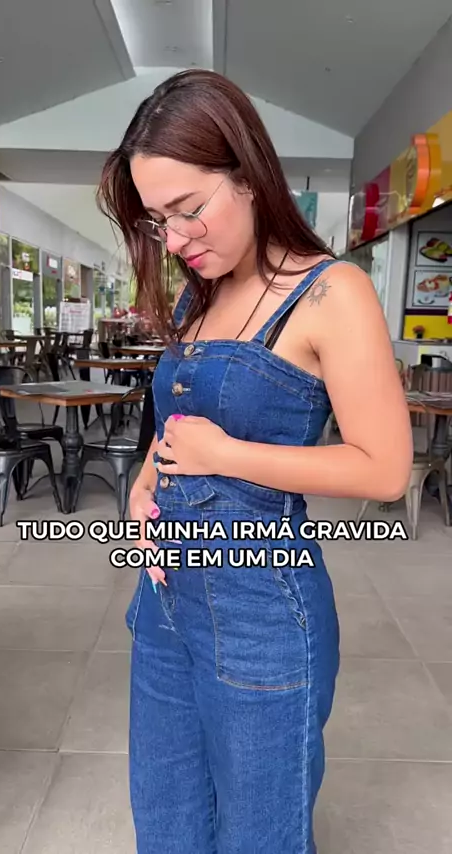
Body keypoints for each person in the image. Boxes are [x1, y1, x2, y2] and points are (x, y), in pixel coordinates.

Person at [97, 69, 413, 854]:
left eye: (187, 209)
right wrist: (146, 485)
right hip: (165, 604)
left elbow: (383, 469)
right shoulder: (196, 297)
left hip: (261, 612)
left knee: (258, 837)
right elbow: (173, 422)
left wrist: (228, 454)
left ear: (246, 172)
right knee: (165, 822)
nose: (175, 240)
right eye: (158, 221)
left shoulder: (331, 293)